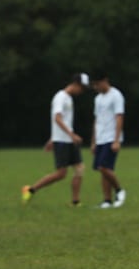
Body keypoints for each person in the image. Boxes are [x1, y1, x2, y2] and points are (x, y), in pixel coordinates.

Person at [22, 73, 90, 206]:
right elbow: (57, 118)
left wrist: (53, 138)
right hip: (63, 141)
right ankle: (30, 190)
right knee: (61, 174)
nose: (82, 92)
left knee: (80, 169)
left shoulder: (69, 98)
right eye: (82, 88)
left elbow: (62, 121)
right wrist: (70, 135)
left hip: (69, 140)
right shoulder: (60, 97)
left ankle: (75, 202)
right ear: (75, 84)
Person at [90, 72, 127, 208]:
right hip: (100, 137)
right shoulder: (98, 99)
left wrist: (116, 140)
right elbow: (96, 119)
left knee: (103, 167)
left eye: (97, 83)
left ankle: (119, 190)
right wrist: (93, 141)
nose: (95, 87)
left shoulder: (116, 95)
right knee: (102, 169)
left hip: (111, 137)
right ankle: (107, 200)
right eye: (93, 84)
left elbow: (119, 117)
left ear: (105, 80)